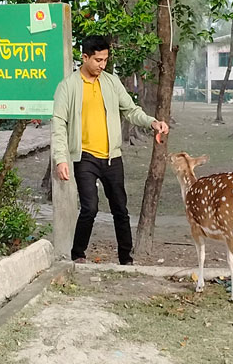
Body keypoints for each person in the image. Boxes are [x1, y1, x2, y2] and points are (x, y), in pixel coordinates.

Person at [51, 35, 169, 265]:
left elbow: (131, 110)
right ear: (84, 57)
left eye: (105, 60)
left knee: (120, 209)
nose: (102, 65)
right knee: (90, 207)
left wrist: (152, 122)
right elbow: (58, 124)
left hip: (112, 157)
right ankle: (78, 254)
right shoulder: (68, 87)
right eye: (97, 60)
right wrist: (60, 159)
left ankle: (126, 258)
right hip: (84, 157)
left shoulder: (111, 82)